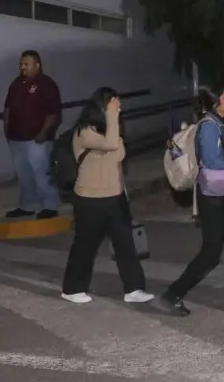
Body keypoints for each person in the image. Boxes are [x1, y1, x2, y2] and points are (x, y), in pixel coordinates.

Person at [159, 87, 224, 316]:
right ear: (214, 104)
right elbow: (213, 162)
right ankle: (172, 294)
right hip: (213, 197)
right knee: (211, 253)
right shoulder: (208, 127)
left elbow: (222, 155)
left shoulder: (220, 125)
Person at [60, 87, 154, 305]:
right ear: (100, 107)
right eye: (113, 103)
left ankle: (134, 288)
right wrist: (112, 117)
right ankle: (72, 288)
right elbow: (112, 145)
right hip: (89, 199)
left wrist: (113, 122)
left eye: (118, 103)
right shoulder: (84, 132)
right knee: (85, 245)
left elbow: (119, 153)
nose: (118, 106)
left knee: (125, 245)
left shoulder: (112, 129)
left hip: (115, 197)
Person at [4, 50, 62, 219]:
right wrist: (7, 131)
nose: (23, 67)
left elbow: (53, 113)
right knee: (23, 174)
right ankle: (27, 205)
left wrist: (43, 133)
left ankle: (50, 205)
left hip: (37, 138)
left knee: (41, 172)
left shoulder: (46, 84)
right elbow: (8, 107)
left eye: (27, 64)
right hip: (16, 138)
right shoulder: (16, 83)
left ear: (37, 65)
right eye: (21, 64)